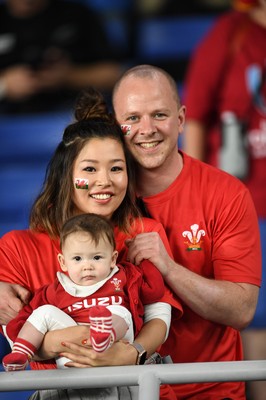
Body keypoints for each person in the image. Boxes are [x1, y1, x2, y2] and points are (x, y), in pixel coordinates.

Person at [0, 86, 182, 399]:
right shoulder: (17, 246)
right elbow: (19, 337)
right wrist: (89, 341)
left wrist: (132, 353)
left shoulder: (144, 232)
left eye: (116, 168)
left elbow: (158, 317)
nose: (104, 181)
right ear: (65, 176)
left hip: (136, 383)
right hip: (58, 390)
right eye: (89, 169)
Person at [110, 64, 261, 399]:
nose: (146, 129)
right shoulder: (99, 194)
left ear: (180, 119)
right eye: (132, 118)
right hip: (123, 389)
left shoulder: (226, 193)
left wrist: (169, 268)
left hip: (210, 388)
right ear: (116, 126)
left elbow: (242, 310)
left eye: (159, 114)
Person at [183, 1, 266, 398]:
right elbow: (193, 115)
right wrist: (194, 195)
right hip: (243, 204)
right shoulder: (229, 33)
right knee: (256, 321)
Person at [3, 212, 167, 372]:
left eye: (96, 258)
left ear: (112, 259)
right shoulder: (56, 289)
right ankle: (21, 353)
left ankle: (103, 336)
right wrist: (16, 332)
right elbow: (28, 314)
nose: (87, 266)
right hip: (71, 355)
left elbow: (153, 290)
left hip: (116, 347)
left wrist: (144, 262)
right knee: (43, 312)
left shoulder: (123, 276)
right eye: (77, 259)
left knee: (120, 311)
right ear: (63, 262)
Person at [0, 0, 123, 114]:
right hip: (7, 117)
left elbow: (114, 75)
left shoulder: (76, 14)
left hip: (73, 115)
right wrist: (4, 85)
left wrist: (68, 76)